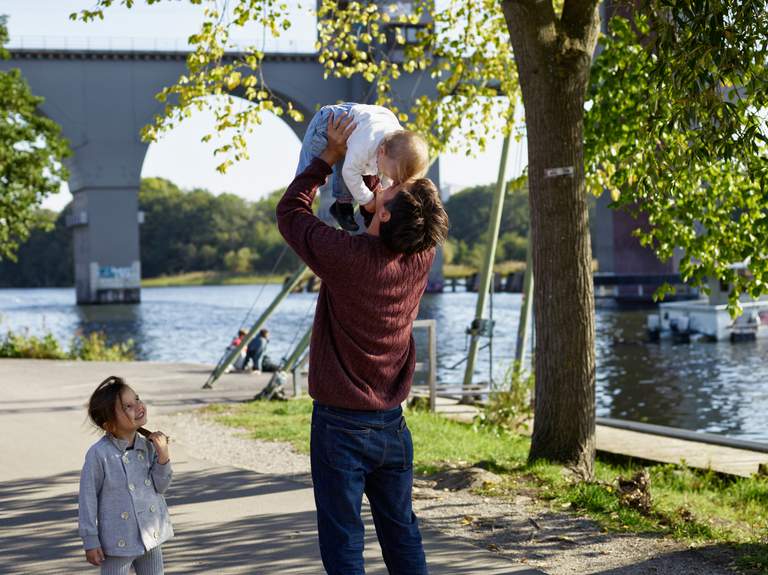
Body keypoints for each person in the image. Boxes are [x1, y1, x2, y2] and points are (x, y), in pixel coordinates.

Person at [277, 112, 449, 574]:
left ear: (386, 212)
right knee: (401, 530)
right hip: (391, 425)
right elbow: (407, 204)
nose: (383, 182)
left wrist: (328, 158)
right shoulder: (420, 255)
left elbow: (290, 212)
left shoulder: (347, 258)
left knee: (344, 539)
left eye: (389, 186)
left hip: (339, 427)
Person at [78, 376, 173, 575]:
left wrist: (163, 456)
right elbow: (88, 499)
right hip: (118, 538)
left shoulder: (149, 445)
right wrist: (90, 539)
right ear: (110, 425)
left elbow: (161, 487)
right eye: (128, 406)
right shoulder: (99, 454)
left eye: (137, 399)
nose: (138, 406)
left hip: (150, 533)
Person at [295, 102, 430, 232]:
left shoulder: (396, 146)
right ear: (382, 151)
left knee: (358, 168)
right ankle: (296, 206)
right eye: (384, 171)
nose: (382, 173)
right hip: (328, 124)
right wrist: (367, 200)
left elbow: (387, 177)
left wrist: (383, 193)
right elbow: (349, 172)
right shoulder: (365, 145)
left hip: (368, 120)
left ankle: (342, 204)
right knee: (309, 171)